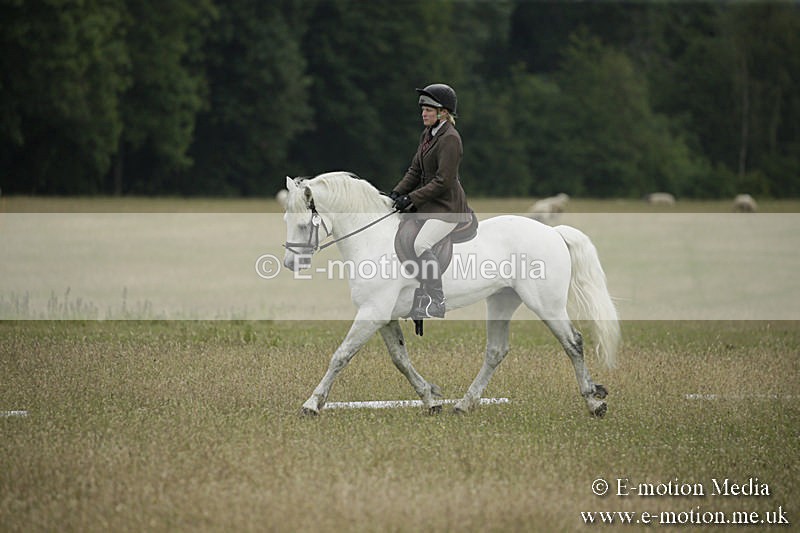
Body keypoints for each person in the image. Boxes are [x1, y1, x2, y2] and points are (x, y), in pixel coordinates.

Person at [389, 83, 472, 319]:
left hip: (448, 207)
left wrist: (411, 198)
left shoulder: (450, 139)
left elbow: (443, 181)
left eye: (429, 109)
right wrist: (396, 193)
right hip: (430, 203)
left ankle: (437, 300)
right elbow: (415, 170)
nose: (423, 113)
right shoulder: (428, 134)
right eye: (423, 109)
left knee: (421, 244)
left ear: (443, 112)